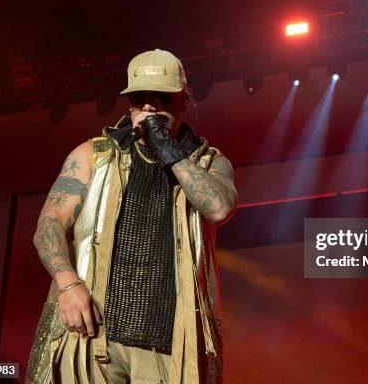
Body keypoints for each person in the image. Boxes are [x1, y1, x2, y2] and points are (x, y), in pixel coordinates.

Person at [26, 49, 237, 384]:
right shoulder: (93, 155)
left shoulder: (208, 162)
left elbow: (219, 208)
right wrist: (67, 285)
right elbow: (48, 225)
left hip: (169, 341)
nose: (150, 107)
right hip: (91, 331)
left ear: (184, 100)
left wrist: (168, 148)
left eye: (162, 98)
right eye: (140, 99)